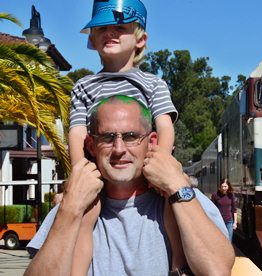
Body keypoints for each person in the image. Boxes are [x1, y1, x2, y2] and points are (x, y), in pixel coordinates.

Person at [25, 95, 235, 275]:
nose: (119, 149)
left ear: (151, 142)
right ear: (91, 145)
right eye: (107, 137)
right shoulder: (71, 208)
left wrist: (177, 186)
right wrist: (70, 209)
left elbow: (217, 270)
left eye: (131, 137)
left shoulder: (186, 199)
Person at [67, 0, 180, 273]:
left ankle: (178, 262)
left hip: (146, 169)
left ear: (141, 39)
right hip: (102, 170)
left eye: (120, 27)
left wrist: (160, 164)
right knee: (85, 213)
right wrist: (79, 171)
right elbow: (77, 131)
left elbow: (165, 125)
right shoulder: (84, 86)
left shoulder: (153, 83)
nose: (110, 32)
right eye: (102, 27)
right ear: (92, 39)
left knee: (173, 201)